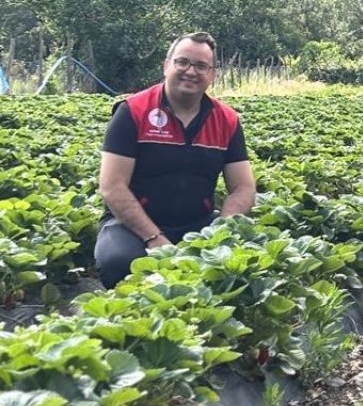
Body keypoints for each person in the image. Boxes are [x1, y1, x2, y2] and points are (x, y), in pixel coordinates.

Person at [96, 32, 256, 288]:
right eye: (183, 62)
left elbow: (243, 187)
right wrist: (154, 238)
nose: (191, 72)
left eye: (201, 66)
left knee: (247, 263)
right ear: (166, 65)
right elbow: (112, 186)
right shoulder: (133, 111)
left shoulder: (227, 120)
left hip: (198, 223)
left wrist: (221, 232)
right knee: (120, 262)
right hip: (131, 226)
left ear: (212, 74)